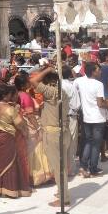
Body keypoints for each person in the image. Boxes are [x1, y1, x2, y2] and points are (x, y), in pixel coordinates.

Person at [30, 69, 71, 206]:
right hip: (62, 131)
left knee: (58, 167)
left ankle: (63, 198)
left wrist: (47, 69)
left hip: (53, 134)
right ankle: (62, 192)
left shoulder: (51, 92)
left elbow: (33, 81)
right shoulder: (62, 92)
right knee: (61, 166)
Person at [0, 84, 31, 198]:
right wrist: (26, 132)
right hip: (7, 138)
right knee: (10, 163)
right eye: (10, 94)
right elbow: (20, 124)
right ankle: (9, 190)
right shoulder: (10, 109)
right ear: (5, 95)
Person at [76, 62, 108, 177]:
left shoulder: (81, 82)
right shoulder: (98, 84)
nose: (100, 72)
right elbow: (100, 104)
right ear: (93, 72)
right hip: (98, 117)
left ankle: (83, 166)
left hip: (86, 117)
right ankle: (93, 168)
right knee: (96, 144)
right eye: (98, 70)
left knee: (88, 142)